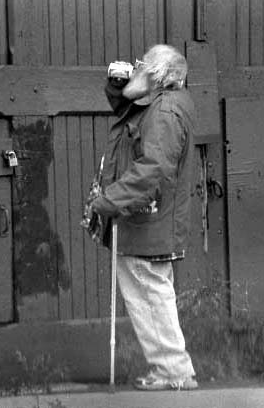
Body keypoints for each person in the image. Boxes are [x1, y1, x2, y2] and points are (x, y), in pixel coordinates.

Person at [90, 44, 198, 391]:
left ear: (157, 76)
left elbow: (154, 170)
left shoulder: (164, 113)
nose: (133, 66)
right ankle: (169, 369)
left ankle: (173, 371)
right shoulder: (157, 104)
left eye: (141, 65)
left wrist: (109, 201)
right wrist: (116, 84)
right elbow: (128, 112)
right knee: (148, 294)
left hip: (148, 223)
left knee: (150, 295)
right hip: (144, 222)